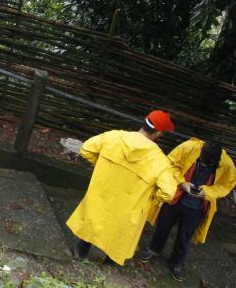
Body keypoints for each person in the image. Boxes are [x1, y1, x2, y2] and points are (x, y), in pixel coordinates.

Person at [66, 110, 179, 265]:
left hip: (102, 192)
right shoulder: (159, 160)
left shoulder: (114, 137)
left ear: (144, 121)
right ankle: (108, 266)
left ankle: (80, 253)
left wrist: (101, 166)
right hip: (129, 206)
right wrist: (152, 197)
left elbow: (86, 149)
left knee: (94, 220)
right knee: (120, 234)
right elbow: (168, 192)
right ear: (159, 133)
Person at [138, 138, 236, 281]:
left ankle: (176, 263)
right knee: (163, 226)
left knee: (185, 236)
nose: (204, 165)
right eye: (202, 161)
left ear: (217, 161)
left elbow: (226, 185)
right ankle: (154, 249)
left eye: (208, 164)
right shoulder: (189, 147)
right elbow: (170, 163)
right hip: (176, 197)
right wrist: (182, 182)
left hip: (196, 207)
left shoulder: (227, 164)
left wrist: (208, 192)